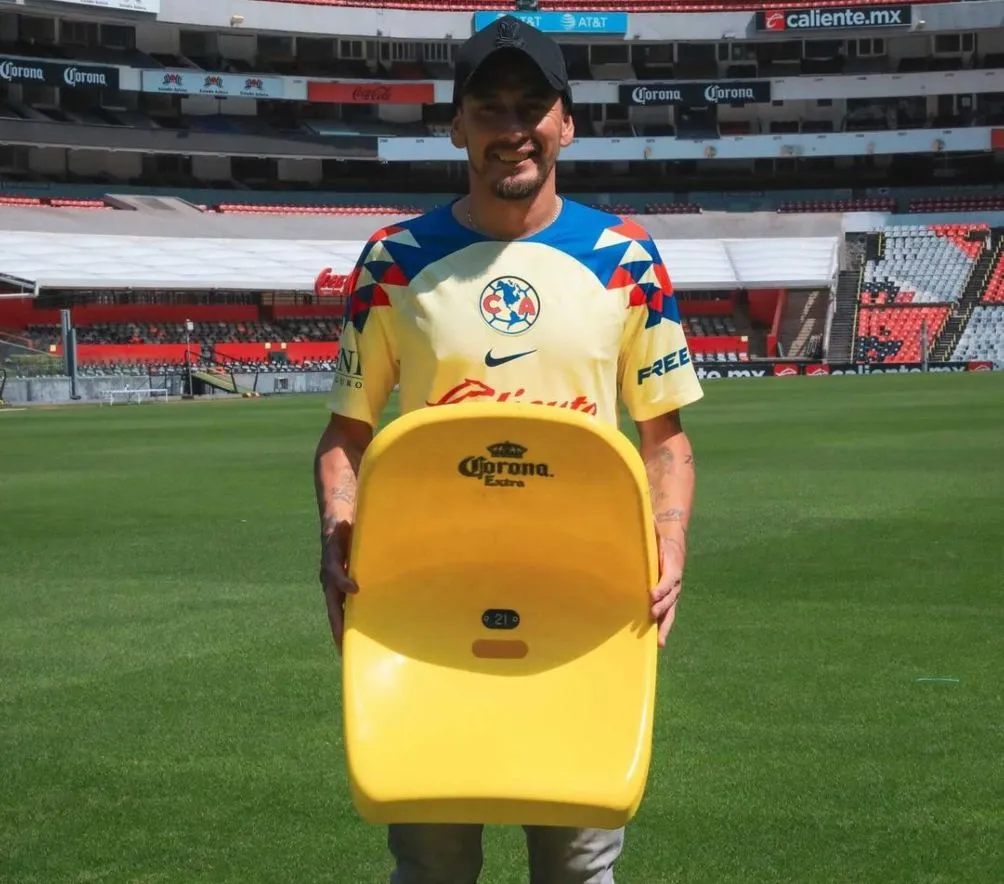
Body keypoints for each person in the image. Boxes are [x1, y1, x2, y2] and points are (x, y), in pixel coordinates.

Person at [314, 15, 704, 884]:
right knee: (433, 863)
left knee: (577, 862)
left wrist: (669, 542)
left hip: (585, 596)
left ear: (568, 122)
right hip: (427, 597)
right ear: (457, 127)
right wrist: (340, 529)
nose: (513, 125)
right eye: (489, 107)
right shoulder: (394, 260)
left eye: (534, 105)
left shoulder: (626, 258)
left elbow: (664, 439)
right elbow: (346, 437)